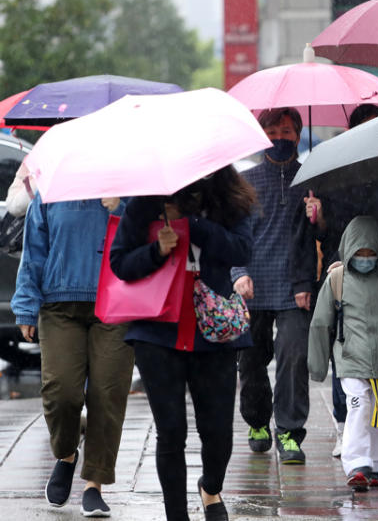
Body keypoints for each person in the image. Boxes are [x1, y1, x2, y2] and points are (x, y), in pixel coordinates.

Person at [110, 169, 255, 521]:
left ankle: (210, 488)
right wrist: (157, 250)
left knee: (218, 431)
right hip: (157, 333)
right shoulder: (144, 203)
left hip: (213, 333)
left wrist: (193, 224)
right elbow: (119, 264)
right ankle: (176, 514)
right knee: (171, 430)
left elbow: (243, 249)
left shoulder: (229, 199)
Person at [303, 104, 378, 467]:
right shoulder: (334, 171)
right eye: (363, 126)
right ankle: (344, 423)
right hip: (342, 274)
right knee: (345, 349)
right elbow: (321, 230)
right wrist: (317, 220)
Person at [13, 195, 132, 517]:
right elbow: (33, 251)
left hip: (117, 305)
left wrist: (121, 208)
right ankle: (66, 454)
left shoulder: (129, 189)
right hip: (59, 306)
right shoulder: (51, 191)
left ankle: (94, 484)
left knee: (107, 394)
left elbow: (148, 240)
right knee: (61, 392)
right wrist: (26, 305)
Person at [232, 108, 318, 463]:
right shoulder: (245, 182)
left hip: (297, 287)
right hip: (253, 286)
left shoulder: (313, 179)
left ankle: (290, 431)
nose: (279, 137)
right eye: (272, 130)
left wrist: (319, 215)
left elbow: (324, 235)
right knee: (251, 362)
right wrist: (238, 273)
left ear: (298, 136)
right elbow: (233, 233)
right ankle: (257, 422)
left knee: (293, 358)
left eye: (286, 130)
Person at [307, 216, 378, 491]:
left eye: (371, 253)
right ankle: (356, 464)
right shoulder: (336, 279)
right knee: (359, 405)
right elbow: (321, 324)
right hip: (350, 357)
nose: (365, 258)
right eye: (359, 253)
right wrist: (317, 366)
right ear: (348, 250)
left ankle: (375, 465)